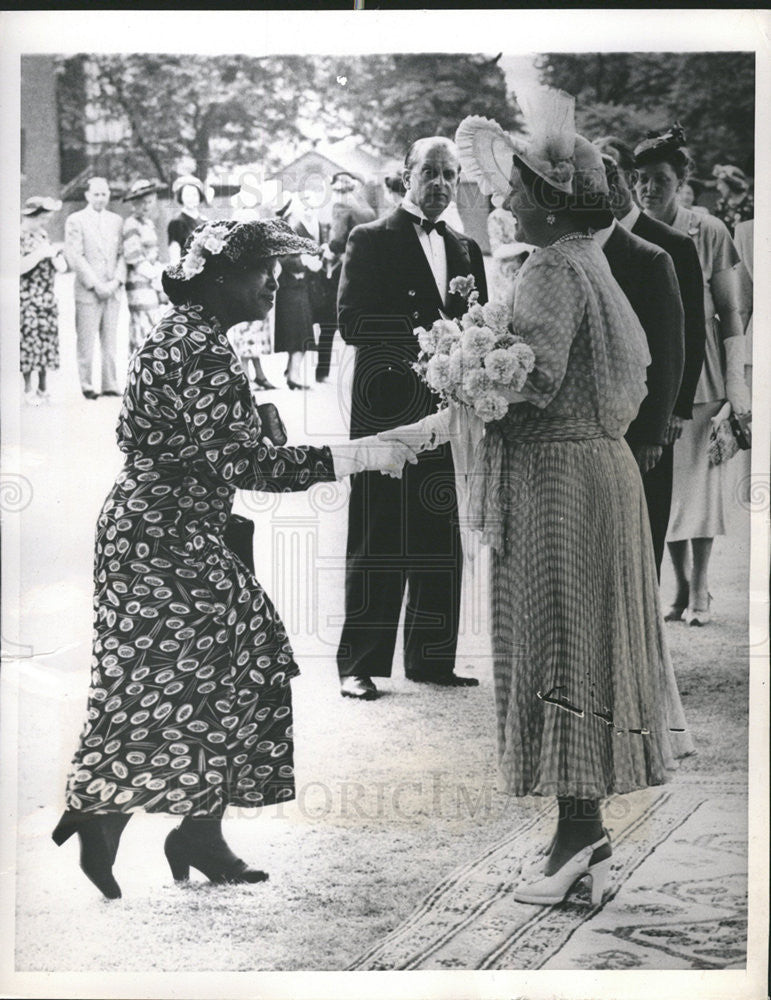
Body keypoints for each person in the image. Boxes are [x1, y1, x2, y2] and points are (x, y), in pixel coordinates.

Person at [51, 218, 415, 900]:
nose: (273, 283)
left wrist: (257, 427)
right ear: (219, 279)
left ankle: (152, 819)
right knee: (220, 665)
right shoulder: (204, 349)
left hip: (157, 529)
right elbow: (245, 463)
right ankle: (134, 814)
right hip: (165, 536)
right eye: (260, 272)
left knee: (191, 670)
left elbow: (180, 437)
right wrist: (362, 453)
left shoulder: (184, 334)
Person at [386, 99, 693, 905]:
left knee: (558, 646)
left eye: (517, 188)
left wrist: (457, 372)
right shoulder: (579, 258)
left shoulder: (554, 266)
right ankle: (580, 822)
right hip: (592, 472)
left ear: (550, 200)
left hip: (559, 482)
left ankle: (575, 826)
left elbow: (535, 377)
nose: (504, 199)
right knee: (577, 643)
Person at [335, 136, 488, 700]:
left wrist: (468, 359)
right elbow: (352, 321)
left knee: (438, 530)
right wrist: (430, 346)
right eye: (431, 172)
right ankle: (360, 664)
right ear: (406, 174)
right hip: (387, 406)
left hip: (446, 411)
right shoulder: (371, 238)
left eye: (451, 175)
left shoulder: (466, 248)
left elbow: (480, 326)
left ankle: (431, 659)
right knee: (377, 532)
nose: (441, 184)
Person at [634, 126, 750, 625]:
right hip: (651, 374)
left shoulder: (708, 231)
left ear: (681, 180)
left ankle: (701, 588)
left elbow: (730, 310)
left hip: (700, 376)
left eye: (660, 178)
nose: (648, 188)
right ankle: (679, 589)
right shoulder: (629, 230)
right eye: (639, 179)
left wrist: (737, 385)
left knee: (698, 488)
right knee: (666, 489)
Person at [595, 136, 707, 578]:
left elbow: (689, 334)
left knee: (647, 518)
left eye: (614, 174)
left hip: (651, 406)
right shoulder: (586, 237)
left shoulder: (673, 245)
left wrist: (675, 410)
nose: (606, 185)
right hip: (600, 408)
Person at [312, 172, 377, 385]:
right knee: (361, 321)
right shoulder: (367, 209)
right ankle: (365, 370)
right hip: (367, 273)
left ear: (337, 190)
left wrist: (327, 249)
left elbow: (337, 241)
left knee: (328, 323)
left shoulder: (340, 207)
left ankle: (322, 372)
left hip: (343, 271)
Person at [64, 177, 126, 399]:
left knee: (110, 339)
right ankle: (87, 384)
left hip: (112, 288)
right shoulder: (76, 220)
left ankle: (110, 383)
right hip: (88, 289)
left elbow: (122, 254)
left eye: (104, 193)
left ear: (109, 195)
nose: (101, 198)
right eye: (96, 194)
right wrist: (95, 284)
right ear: (87, 196)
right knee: (86, 339)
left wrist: (116, 281)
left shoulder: (117, 221)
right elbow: (75, 255)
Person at [20, 196, 67, 406]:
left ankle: (43, 386)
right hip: (28, 297)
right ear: (30, 216)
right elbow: (19, 267)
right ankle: (28, 388)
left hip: (46, 297)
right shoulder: (19, 237)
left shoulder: (43, 235)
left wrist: (56, 256)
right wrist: (41, 254)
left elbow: (61, 266)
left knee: (46, 342)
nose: (43, 223)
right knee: (29, 343)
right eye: (40, 218)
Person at [122, 179, 166, 354]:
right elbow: (134, 258)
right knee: (143, 326)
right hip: (139, 281)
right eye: (141, 202)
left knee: (155, 326)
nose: (146, 206)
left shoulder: (148, 223)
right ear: (134, 203)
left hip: (152, 280)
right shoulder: (131, 224)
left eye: (149, 202)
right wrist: (156, 278)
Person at [486, 203, 531, 310]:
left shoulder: (526, 211)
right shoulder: (497, 216)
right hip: (504, 274)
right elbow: (497, 250)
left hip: (523, 271)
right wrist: (525, 246)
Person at [167, 174, 209, 265]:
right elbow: (174, 250)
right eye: (187, 195)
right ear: (181, 197)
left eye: (194, 195)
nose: (191, 199)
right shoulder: (177, 222)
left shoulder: (205, 221)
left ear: (199, 197)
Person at [711, 164, 753, 234]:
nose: (718, 188)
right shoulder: (721, 204)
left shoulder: (751, 204)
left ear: (731, 184)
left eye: (720, 183)